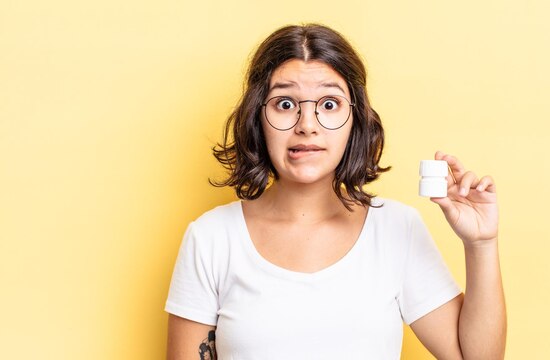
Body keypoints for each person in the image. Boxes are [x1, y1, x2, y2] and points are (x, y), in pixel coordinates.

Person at [165, 24, 506, 360]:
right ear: (258, 117)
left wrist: (481, 244)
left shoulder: (396, 228)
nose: (307, 125)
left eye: (329, 104)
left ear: (355, 119)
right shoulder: (211, 238)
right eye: (285, 104)